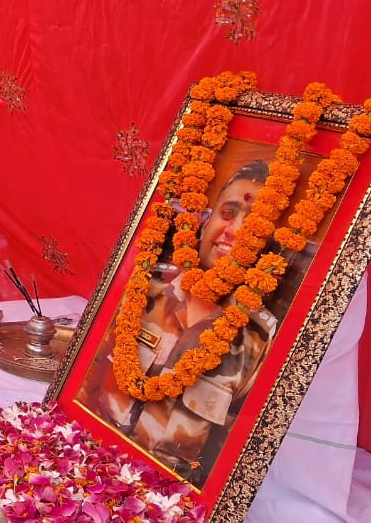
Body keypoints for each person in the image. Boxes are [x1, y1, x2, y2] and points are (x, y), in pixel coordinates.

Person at [82, 159, 276, 485]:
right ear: (204, 222)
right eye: (227, 214)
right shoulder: (142, 289)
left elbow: (225, 455)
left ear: (265, 249)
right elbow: (84, 384)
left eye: (254, 227)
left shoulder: (256, 343)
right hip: (83, 459)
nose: (234, 231)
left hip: (159, 503)